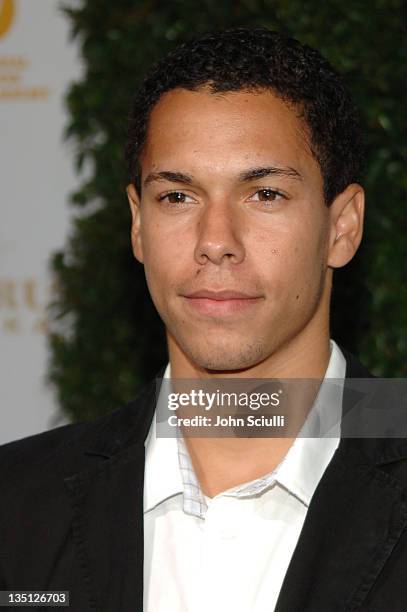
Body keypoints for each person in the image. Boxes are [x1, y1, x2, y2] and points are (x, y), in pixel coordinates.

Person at [0, 27, 406, 612]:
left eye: (264, 194)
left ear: (341, 226)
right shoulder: (17, 504)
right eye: (178, 197)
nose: (216, 242)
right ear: (138, 224)